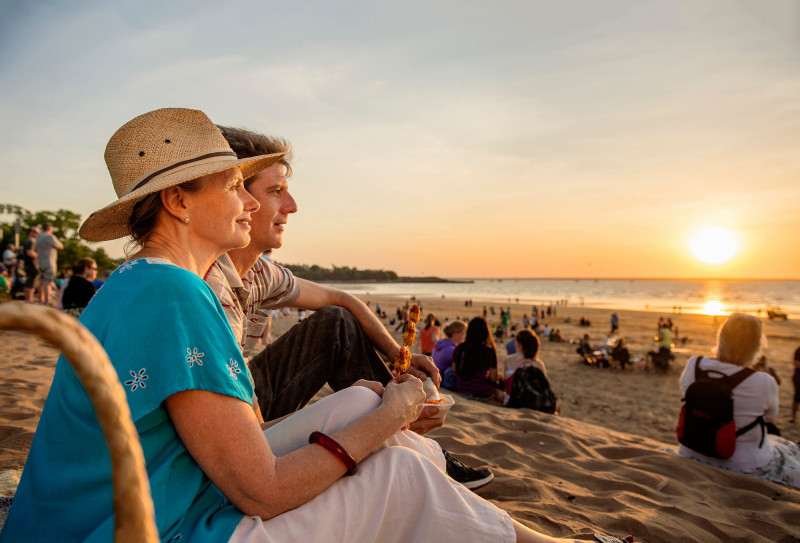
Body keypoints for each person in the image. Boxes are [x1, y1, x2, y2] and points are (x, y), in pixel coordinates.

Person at [3, 107, 591, 543]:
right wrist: (394, 413)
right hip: (156, 527)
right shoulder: (178, 293)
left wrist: (379, 405)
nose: (253, 204)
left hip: (134, 501)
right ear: (180, 201)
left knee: (363, 403)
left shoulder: (140, 281)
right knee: (398, 472)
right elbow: (262, 491)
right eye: (236, 187)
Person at [207, 125, 491, 484]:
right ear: (236, 197)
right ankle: (402, 434)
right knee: (364, 400)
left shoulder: (261, 273)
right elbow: (241, 438)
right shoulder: (209, 285)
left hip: (245, 395)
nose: (292, 207)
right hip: (232, 428)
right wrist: (368, 412)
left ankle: (405, 435)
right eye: (276, 192)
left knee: (336, 322)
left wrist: (396, 355)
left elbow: (342, 299)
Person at [677, 314, 800, 489]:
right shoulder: (764, 381)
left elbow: (685, 393)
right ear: (756, 345)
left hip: (691, 452)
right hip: (744, 465)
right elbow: (770, 417)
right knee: (788, 449)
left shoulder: (694, 365)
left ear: (721, 338)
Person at [453, 317, 500, 401]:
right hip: (481, 391)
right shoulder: (489, 350)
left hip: (461, 388)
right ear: (485, 332)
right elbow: (493, 378)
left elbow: (454, 369)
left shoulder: (460, 348)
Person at [33, 222, 63, 305]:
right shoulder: (50, 237)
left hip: (40, 262)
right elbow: (60, 246)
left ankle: (41, 300)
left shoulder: (38, 237)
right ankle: (47, 301)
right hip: (49, 263)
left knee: (41, 282)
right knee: (48, 282)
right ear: (50, 228)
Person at [432, 320, 467, 390]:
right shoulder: (450, 350)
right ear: (455, 334)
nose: (464, 337)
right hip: (440, 381)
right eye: (463, 334)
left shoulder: (441, 343)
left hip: (434, 377)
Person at [20, 226, 39, 302]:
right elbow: (29, 253)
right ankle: (29, 299)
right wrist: (39, 255)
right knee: (31, 282)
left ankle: (29, 298)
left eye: (37, 232)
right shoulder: (30, 241)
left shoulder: (30, 241)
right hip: (31, 264)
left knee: (30, 282)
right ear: (30, 232)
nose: (36, 234)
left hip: (30, 264)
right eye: (35, 232)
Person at [791, 347, 800, 423]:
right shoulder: (798, 350)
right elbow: (796, 363)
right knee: (797, 397)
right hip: (798, 377)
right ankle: (793, 417)